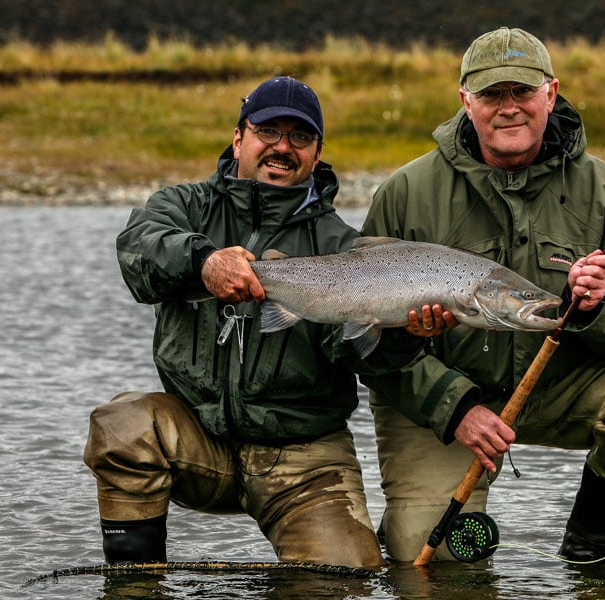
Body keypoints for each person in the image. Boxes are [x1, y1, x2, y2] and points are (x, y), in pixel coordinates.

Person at [360, 27, 605, 562]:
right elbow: (365, 347)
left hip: (553, 388)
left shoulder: (604, 190)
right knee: (437, 563)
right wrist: (456, 406)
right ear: (465, 101)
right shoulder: (406, 193)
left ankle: (592, 549)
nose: (508, 108)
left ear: (551, 93)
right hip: (438, 401)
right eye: (491, 94)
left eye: (522, 92)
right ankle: (406, 519)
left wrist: (601, 304)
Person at [83, 76, 421, 569]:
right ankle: (135, 582)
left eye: (299, 137)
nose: (282, 147)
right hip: (200, 439)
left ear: (317, 152)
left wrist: (407, 333)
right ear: (240, 138)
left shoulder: (341, 244)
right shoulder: (185, 207)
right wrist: (205, 262)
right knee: (122, 425)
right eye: (268, 131)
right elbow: (138, 249)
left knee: (344, 581)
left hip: (306, 462)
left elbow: (354, 355)